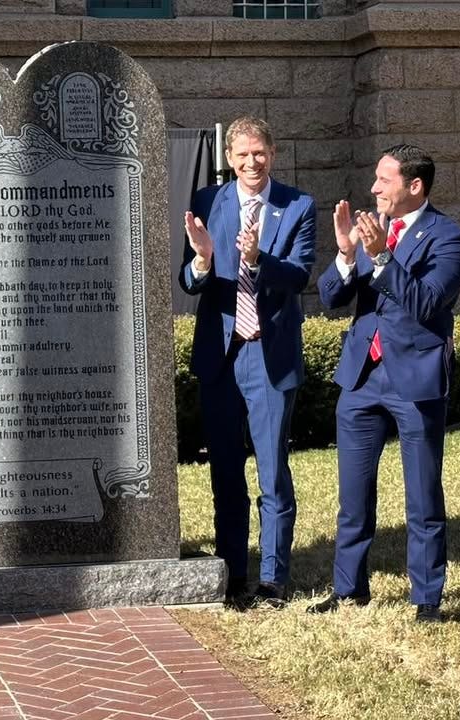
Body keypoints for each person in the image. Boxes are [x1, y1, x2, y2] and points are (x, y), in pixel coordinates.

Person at [309, 145, 460, 623]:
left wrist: (381, 255)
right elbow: (330, 298)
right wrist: (346, 254)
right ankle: (348, 590)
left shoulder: (452, 239)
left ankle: (426, 599)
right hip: (362, 377)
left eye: (384, 180)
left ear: (414, 186)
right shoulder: (370, 230)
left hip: (415, 379)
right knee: (353, 496)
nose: (374, 188)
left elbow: (426, 303)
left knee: (423, 497)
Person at [179, 117, 317, 607]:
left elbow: (299, 276)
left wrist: (257, 259)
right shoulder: (206, 202)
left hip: (268, 354)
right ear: (229, 159)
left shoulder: (298, 205)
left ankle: (273, 578)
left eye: (259, 153)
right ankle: (233, 571)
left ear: (272, 154)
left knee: (272, 471)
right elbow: (189, 281)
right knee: (224, 469)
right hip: (221, 355)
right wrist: (201, 261)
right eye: (242, 154)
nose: (251, 162)